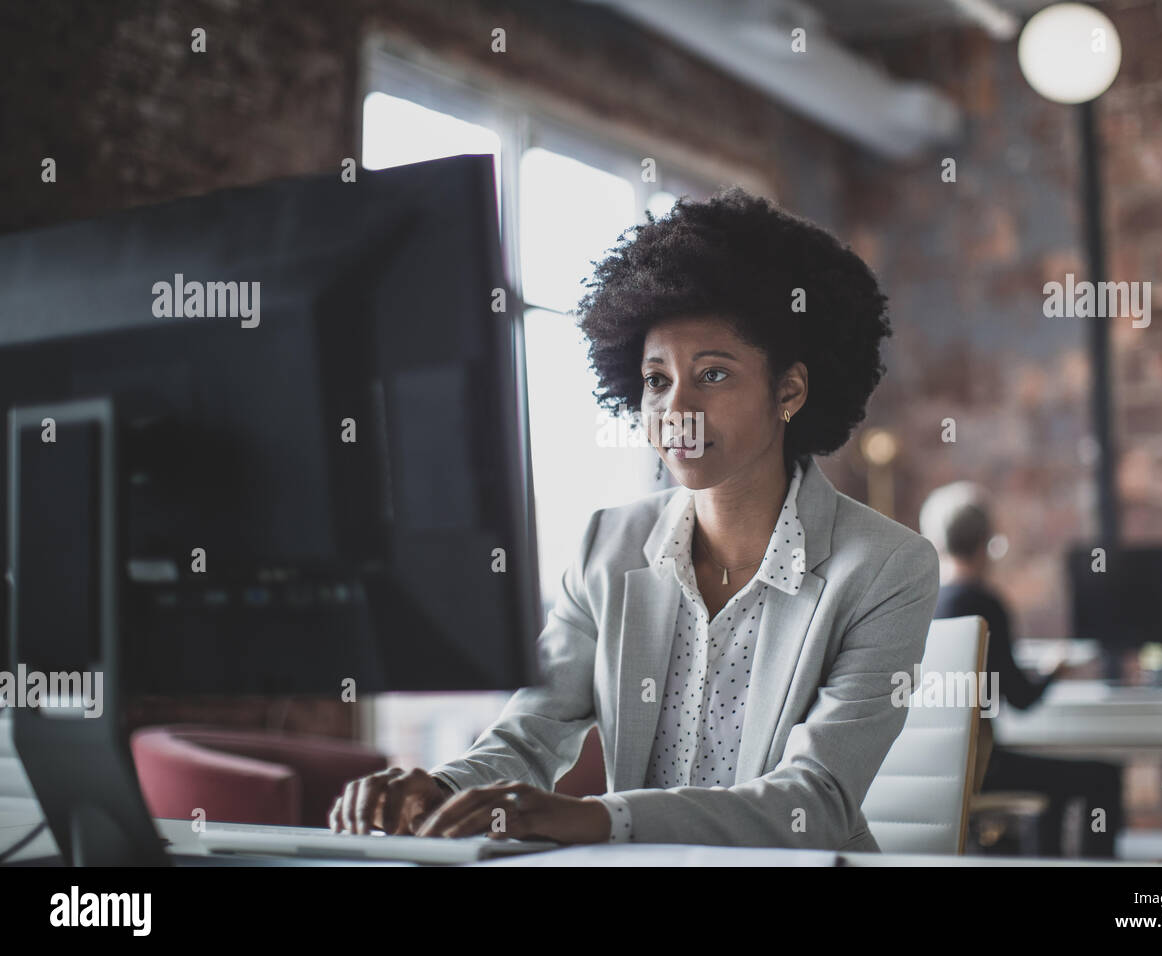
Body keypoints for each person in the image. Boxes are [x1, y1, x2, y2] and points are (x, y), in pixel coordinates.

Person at [328, 187, 941, 850]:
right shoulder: (608, 546)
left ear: (788, 391)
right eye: (656, 380)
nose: (675, 408)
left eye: (712, 374)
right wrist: (442, 791)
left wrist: (604, 817)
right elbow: (532, 732)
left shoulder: (885, 567)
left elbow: (814, 802)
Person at [920, 481, 1125, 858]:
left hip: (935, 769)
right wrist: (1053, 671)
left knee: (1051, 787)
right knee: (1104, 776)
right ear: (987, 540)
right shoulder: (985, 604)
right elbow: (1021, 699)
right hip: (983, 769)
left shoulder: (927, 603)